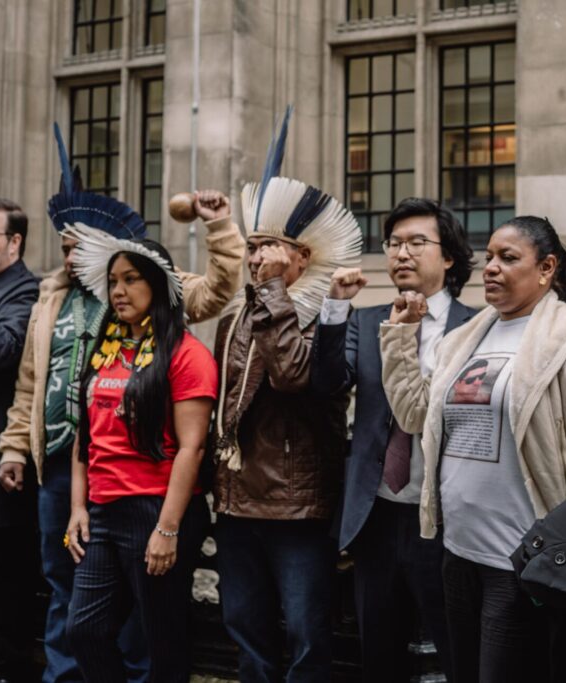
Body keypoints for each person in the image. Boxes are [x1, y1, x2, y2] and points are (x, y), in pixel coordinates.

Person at [0, 125, 245, 683]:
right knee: (76, 610)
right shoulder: (63, 309)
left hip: (149, 501)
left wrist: (220, 227)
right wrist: (33, 463)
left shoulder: (170, 331)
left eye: (131, 280)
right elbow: (48, 398)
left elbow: (218, 290)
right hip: (79, 485)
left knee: (154, 630)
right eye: (61, 242)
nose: (119, 290)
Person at [380, 215, 566, 682]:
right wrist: (400, 337)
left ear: (546, 269)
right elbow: (414, 415)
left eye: (509, 258)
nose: (491, 268)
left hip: (520, 561)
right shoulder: (464, 339)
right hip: (458, 553)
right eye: (490, 257)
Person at [211, 108, 360, 683]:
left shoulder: (328, 316)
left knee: (304, 635)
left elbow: (297, 377)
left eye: (271, 248)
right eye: (252, 248)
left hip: (296, 509)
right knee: (244, 628)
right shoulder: (234, 321)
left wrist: (273, 290)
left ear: (302, 257)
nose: (256, 260)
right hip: (235, 504)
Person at [310, 197, 475, 682]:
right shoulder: (364, 318)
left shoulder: (476, 326)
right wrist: (335, 306)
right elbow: (327, 383)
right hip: (376, 514)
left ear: (448, 256)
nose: (401, 253)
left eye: (416, 242)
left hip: (445, 517)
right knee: (379, 654)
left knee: (453, 649)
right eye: (394, 243)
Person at [63, 231, 217, 683]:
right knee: (83, 630)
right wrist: (77, 508)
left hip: (157, 510)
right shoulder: (105, 347)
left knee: (162, 640)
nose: (118, 291)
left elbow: (193, 446)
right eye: (113, 281)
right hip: (103, 512)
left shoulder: (187, 355)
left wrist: (167, 529)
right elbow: (84, 436)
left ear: (158, 286)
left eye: (131, 279)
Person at [0, 198, 40, 681]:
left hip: (5, 468)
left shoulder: (26, 291)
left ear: (14, 242)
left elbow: (5, 351)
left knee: (7, 583)